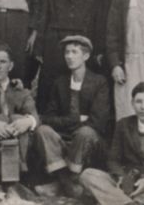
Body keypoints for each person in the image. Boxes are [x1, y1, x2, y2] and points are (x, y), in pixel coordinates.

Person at [0, 41, 65, 192]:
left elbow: (35, 116)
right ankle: (4, 182)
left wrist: (27, 121)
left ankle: (15, 179)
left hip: (21, 149)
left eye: (3, 62)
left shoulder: (21, 91)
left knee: (19, 118)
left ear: (10, 66)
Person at [80, 82, 144, 205]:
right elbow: (113, 159)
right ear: (132, 104)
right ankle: (128, 202)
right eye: (138, 102)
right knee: (88, 175)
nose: (143, 107)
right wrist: (122, 177)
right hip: (129, 181)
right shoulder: (123, 124)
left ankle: (122, 200)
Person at [33, 0, 101, 112]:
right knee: (51, 85)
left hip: (84, 39)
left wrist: (97, 47)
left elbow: (98, 17)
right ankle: (48, 125)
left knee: (80, 83)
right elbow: (45, 13)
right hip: (55, 41)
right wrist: (40, 46)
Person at [41, 36, 109, 196]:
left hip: (89, 141)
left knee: (85, 132)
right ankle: (67, 182)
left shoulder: (99, 82)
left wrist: (69, 124)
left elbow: (98, 122)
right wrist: (76, 120)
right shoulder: (60, 82)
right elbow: (48, 118)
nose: (69, 56)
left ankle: (65, 181)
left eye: (74, 52)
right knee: (43, 130)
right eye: (66, 52)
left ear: (85, 56)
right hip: (64, 136)